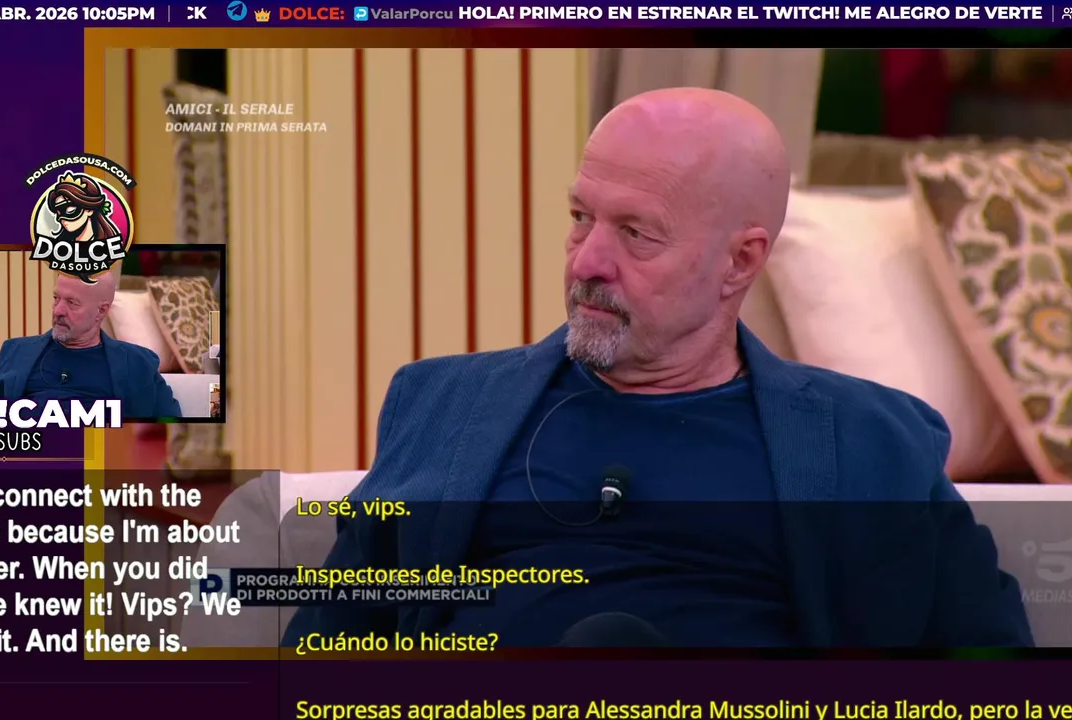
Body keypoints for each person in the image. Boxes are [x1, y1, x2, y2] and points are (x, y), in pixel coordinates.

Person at [283, 88, 1032, 647]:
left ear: (740, 261)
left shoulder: (873, 440)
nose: (588, 261)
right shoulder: (442, 403)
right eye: (581, 217)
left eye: (637, 233)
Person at [0, 270, 181, 420]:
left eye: (72, 303)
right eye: (56, 298)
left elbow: (168, 434)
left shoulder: (138, 364)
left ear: (101, 311)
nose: (58, 310)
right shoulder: (16, 352)